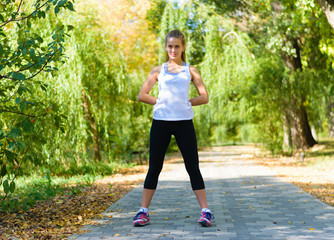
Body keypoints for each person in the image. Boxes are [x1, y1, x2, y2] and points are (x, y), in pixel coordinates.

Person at [133, 29, 214, 227]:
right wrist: (160, 101)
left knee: (192, 166)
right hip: (161, 121)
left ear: (183, 47)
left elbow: (204, 97)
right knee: (155, 167)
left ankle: (205, 211)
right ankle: (143, 211)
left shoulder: (191, 70)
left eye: (177, 46)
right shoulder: (157, 70)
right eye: (170, 46)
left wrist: (186, 102)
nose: (173, 50)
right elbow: (142, 94)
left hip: (184, 122)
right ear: (166, 47)